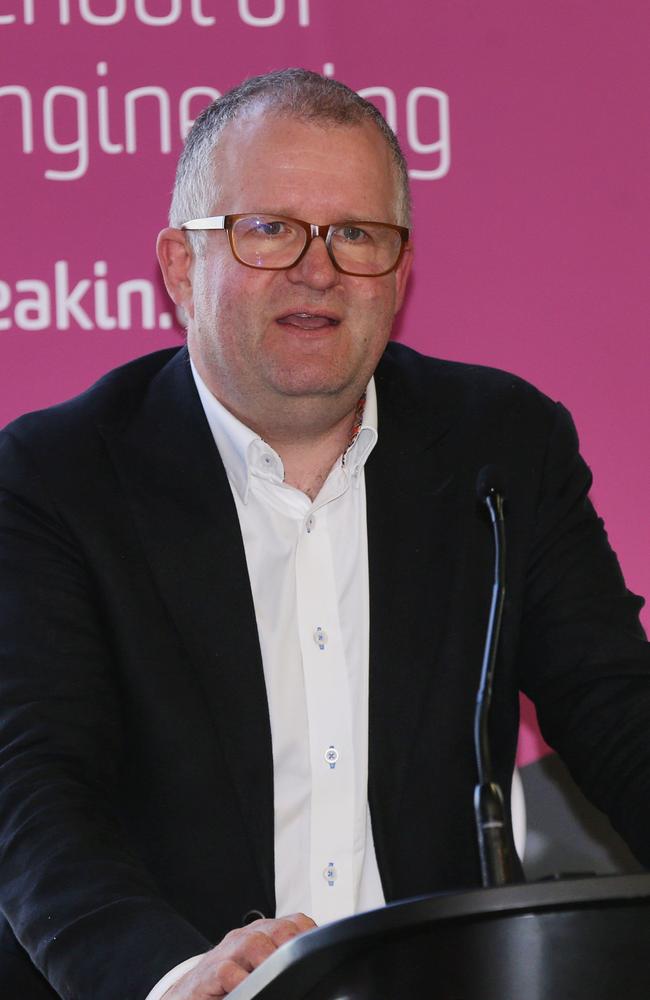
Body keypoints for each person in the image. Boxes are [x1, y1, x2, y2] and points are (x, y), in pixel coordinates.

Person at [0, 68, 649, 1000]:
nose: (318, 268)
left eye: (356, 234)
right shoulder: (53, 477)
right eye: (268, 229)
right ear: (183, 266)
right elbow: (31, 788)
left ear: (400, 273)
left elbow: (615, 706)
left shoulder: (499, 449)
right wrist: (175, 977)